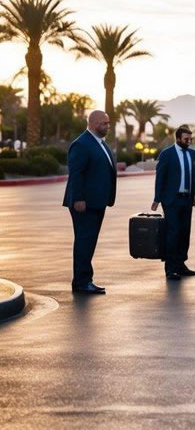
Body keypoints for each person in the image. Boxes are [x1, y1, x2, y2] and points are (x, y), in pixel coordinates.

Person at [63, 110, 117, 294]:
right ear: (93, 124)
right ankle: (82, 282)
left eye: (108, 123)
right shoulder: (81, 144)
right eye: (104, 123)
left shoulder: (100, 144)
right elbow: (76, 174)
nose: (107, 127)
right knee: (84, 242)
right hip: (84, 203)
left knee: (89, 241)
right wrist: (78, 199)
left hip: (97, 202)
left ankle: (83, 279)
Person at [152, 125, 195, 280]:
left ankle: (181, 264)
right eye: (186, 139)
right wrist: (157, 199)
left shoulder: (193, 154)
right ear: (178, 138)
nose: (189, 141)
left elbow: (194, 177)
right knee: (173, 232)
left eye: (190, 139)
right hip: (171, 200)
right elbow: (160, 177)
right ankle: (170, 268)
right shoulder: (167, 154)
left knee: (185, 232)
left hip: (187, 199)